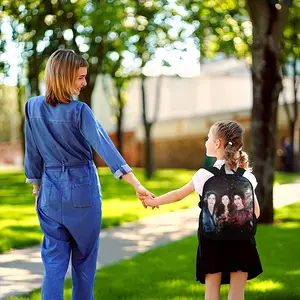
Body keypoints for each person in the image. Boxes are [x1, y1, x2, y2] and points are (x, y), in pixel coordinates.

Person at [24, 49, 153, 300]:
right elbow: (106, 148)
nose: (84, 83)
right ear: (64, 77)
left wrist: (37, 189)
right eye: (80, 77)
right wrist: (136, 184)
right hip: (82, 190)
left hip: (49, 193)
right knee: (84, 264)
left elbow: (32, 153)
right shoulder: (79, 110)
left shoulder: (32, 107)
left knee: (53, 264)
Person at [144, 120, 262, 300]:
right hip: (242, 242)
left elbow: (178, 195)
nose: (206, 142)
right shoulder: (247, 177)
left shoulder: (204, 175)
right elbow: (256, 213)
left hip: (212, 243)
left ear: (217, 144)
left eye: (208, 138)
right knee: (237, 294)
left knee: (211, 293)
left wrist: (154, 202)